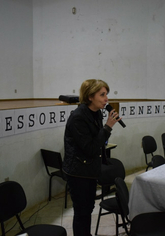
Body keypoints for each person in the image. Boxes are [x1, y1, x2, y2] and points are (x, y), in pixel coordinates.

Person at [63, 79, 121, 236]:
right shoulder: (78, 118)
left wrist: (106, 129)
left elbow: (97, 141)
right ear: (90, 97)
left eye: (106, 94)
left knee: (88, 208)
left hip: (89, 169)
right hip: (78, 172)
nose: (106, 99)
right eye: (102, 95)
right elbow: (89, 148)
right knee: (82, 211)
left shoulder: (95, 113)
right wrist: (108, 127)